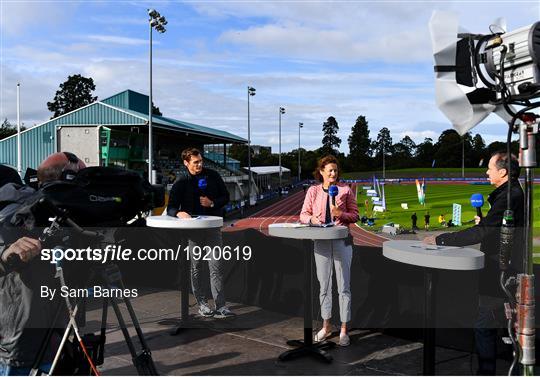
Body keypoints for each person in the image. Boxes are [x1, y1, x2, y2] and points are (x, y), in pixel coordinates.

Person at [424, 152, 524, 375]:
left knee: (485, 326)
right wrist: (487, 223)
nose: (486, 172)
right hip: (501, 270)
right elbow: (494, 228)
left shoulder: (509, 196)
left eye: (489, 168)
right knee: (501, 327)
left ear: (502, 171)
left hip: (501, 272)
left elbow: (483, 233)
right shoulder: (510, 194)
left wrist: (441, 239)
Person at [0, 152, 86, 376]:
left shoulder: (57, 214)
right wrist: (6, 253)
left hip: (56, 330)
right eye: (81, 176)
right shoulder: (14, 201)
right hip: (18, 338)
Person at [166, 148, 233, 318]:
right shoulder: (181, 182)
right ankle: (202, 304)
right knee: (196, 268)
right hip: (193, 231)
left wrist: (212, 203)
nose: (200, 164)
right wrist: (178, 213)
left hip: (212, 228)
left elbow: (226, 197)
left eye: (201, 161)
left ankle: (221, 306)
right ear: (186, 163)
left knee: (216, 267)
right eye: (196, 162)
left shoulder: (213, 176)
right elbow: (171, 207)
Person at [299, 155, 359, 347]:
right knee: (324, 286)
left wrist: (340, 214)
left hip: (342, 242)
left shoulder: (345, 190)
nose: (333, 173)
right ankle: (326, 326)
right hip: (321, 242)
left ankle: (343, 330)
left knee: (344, 287)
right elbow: (303, 214)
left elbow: (356, 215)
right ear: (322, 172)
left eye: (335, 170)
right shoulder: (313, 191)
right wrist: (312, 220)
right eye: (330, 170)